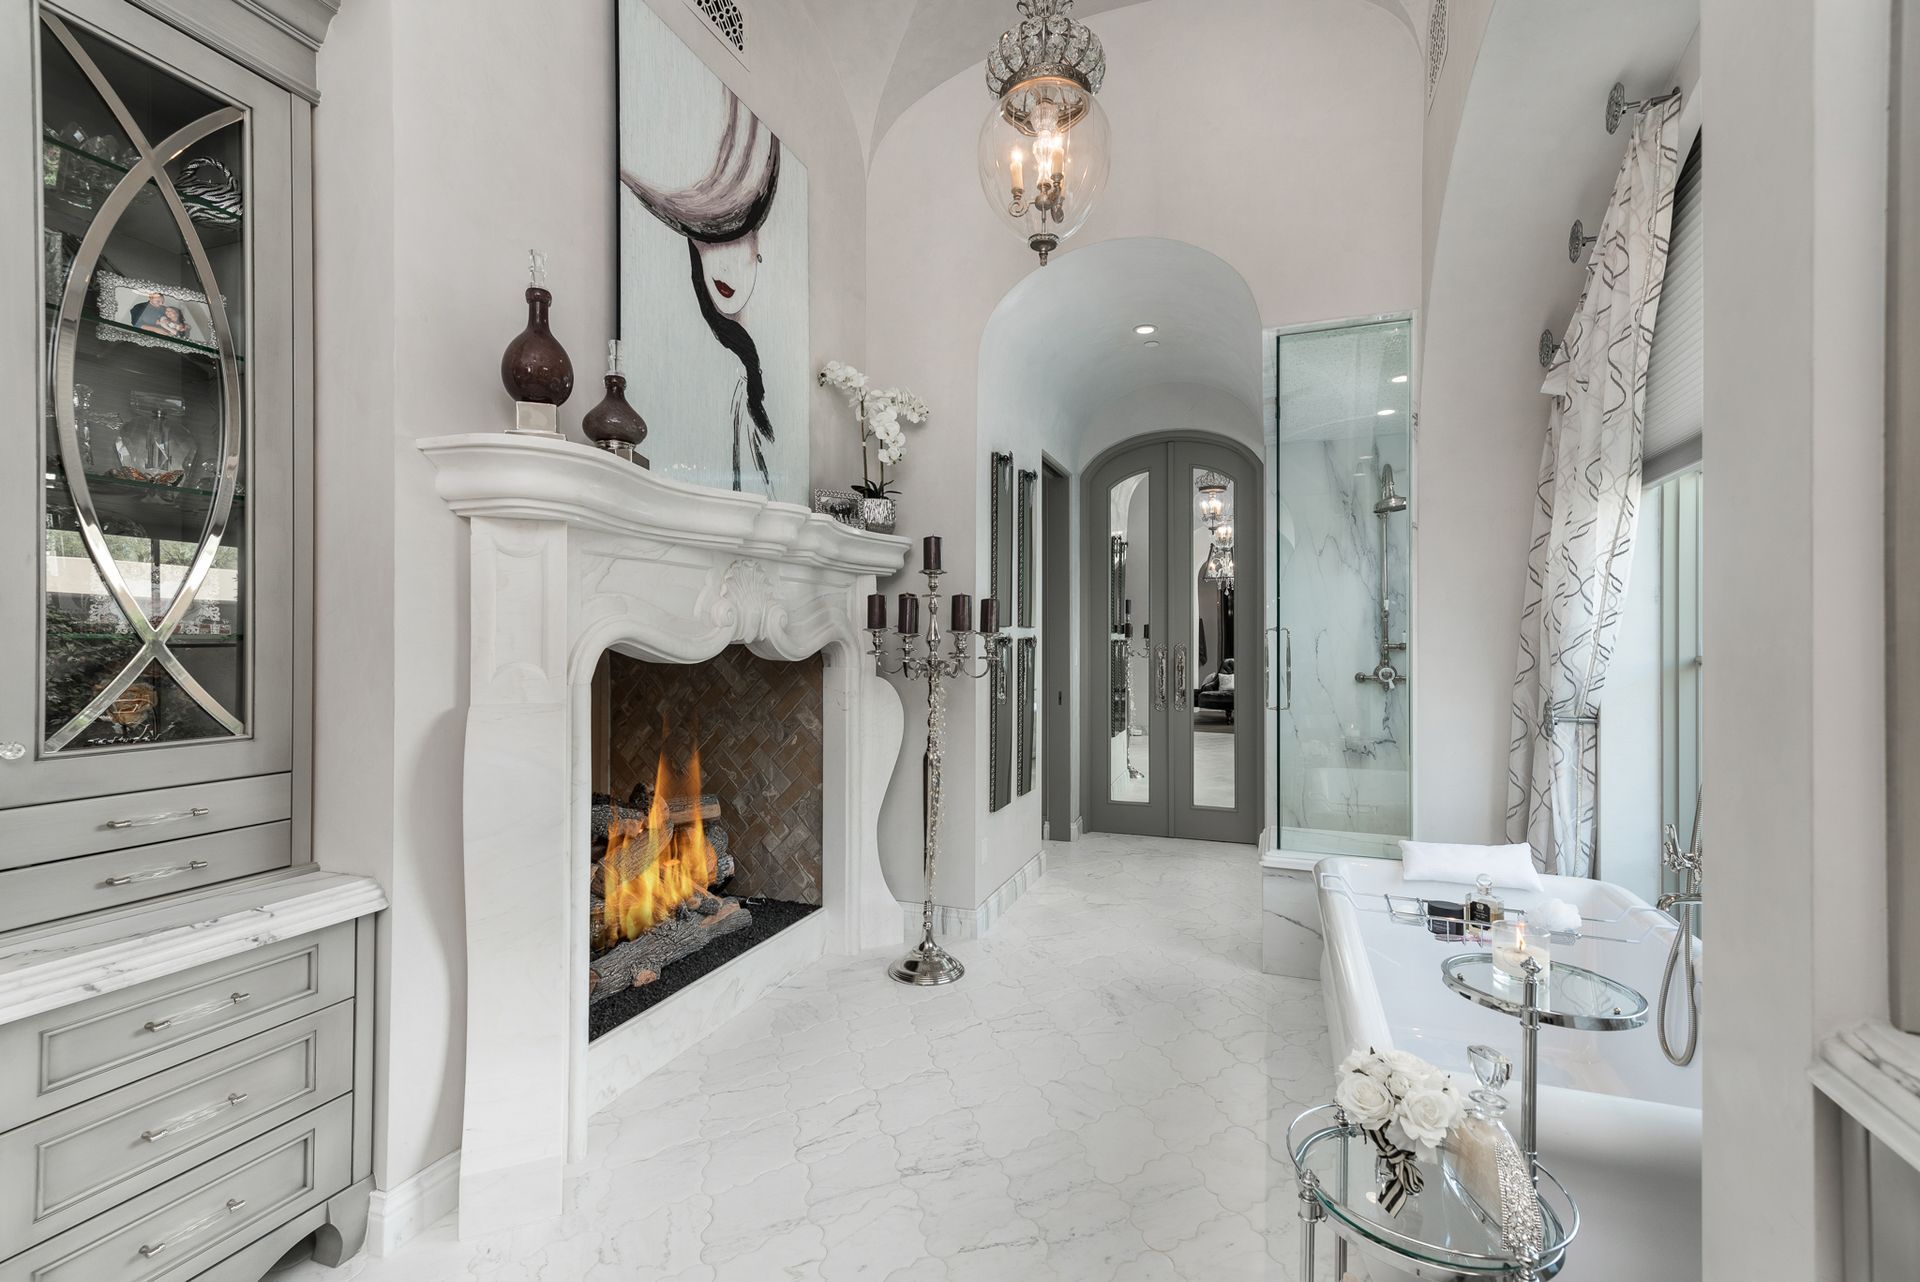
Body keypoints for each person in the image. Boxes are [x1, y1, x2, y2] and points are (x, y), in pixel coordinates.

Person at [621, 95, 780, 494]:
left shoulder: (737, 372)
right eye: (707, 237)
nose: (723, 266)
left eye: (737, 234)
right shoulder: (703, 362)